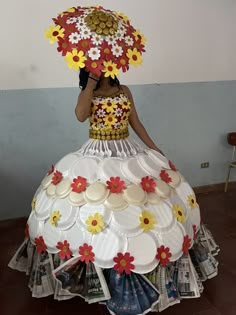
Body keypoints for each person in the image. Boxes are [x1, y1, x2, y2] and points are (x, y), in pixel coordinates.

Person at [8, 5, 219, 315]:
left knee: (140, 207)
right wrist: (90, 82)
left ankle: (137, 265)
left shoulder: (125, 89)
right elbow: (80, 116)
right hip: (95, 153)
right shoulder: (87, 93)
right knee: (97, 209)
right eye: (96, 64)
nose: (102, 66)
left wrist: (156, 150)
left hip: (128, 151)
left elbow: (137, 123)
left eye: (104, 64)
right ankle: (96, 269)